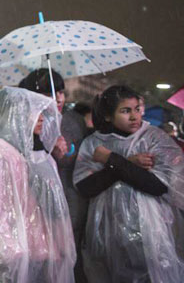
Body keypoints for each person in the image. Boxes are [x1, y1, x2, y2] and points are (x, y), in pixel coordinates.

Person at [73, 85, 184, 282]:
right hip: (107, 233)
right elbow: (85, 186)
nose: (134, 116)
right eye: (125, 111)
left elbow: (157, 185)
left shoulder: (154, 138)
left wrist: (112, 160)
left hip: (150, 231)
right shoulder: (93, 143)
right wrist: (128, 164)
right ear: (108, 116)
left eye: (137, 109)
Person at [0, 87, 76, 283]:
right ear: (17, 112)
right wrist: (7, 251)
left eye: (43, 112)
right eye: (35, 111)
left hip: (33, 248)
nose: (41, 118)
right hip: (10, 252)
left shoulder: (32, 155)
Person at [19, 68, 88, 282]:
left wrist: (65, 151)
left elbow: (80, 155)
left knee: (66, 254)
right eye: (50, 92)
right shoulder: (26, 121)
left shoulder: (73, 120)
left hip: (68, 195)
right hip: (34, 199)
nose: (58, 98)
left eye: (60, 91)